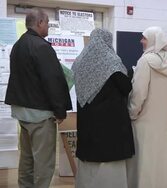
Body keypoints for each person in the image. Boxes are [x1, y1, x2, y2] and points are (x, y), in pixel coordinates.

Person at [5, 9, 72, 188]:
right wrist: (60, 111)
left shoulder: (18, 45)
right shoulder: (42, 47)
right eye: (47, 23)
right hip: (40, 114)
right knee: (44, 163)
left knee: (26, 160)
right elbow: (53, 81)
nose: (48, 26)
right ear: (40, 23)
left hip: (21, 111)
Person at [72, 28, 135, 188]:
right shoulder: (111, 61)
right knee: (109, 164)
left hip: (87, 122)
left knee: (89, 163)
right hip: (109, 124)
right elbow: (125, 87)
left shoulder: (80, 60)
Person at [126, 26, 167, 188]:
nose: (141, 41)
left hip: (144, 121)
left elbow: (139, 93)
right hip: (165, 122)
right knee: (162, 159)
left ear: (153, 40)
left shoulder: (145, 61)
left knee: (146, 161)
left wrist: (132, 113)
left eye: (144, 38)